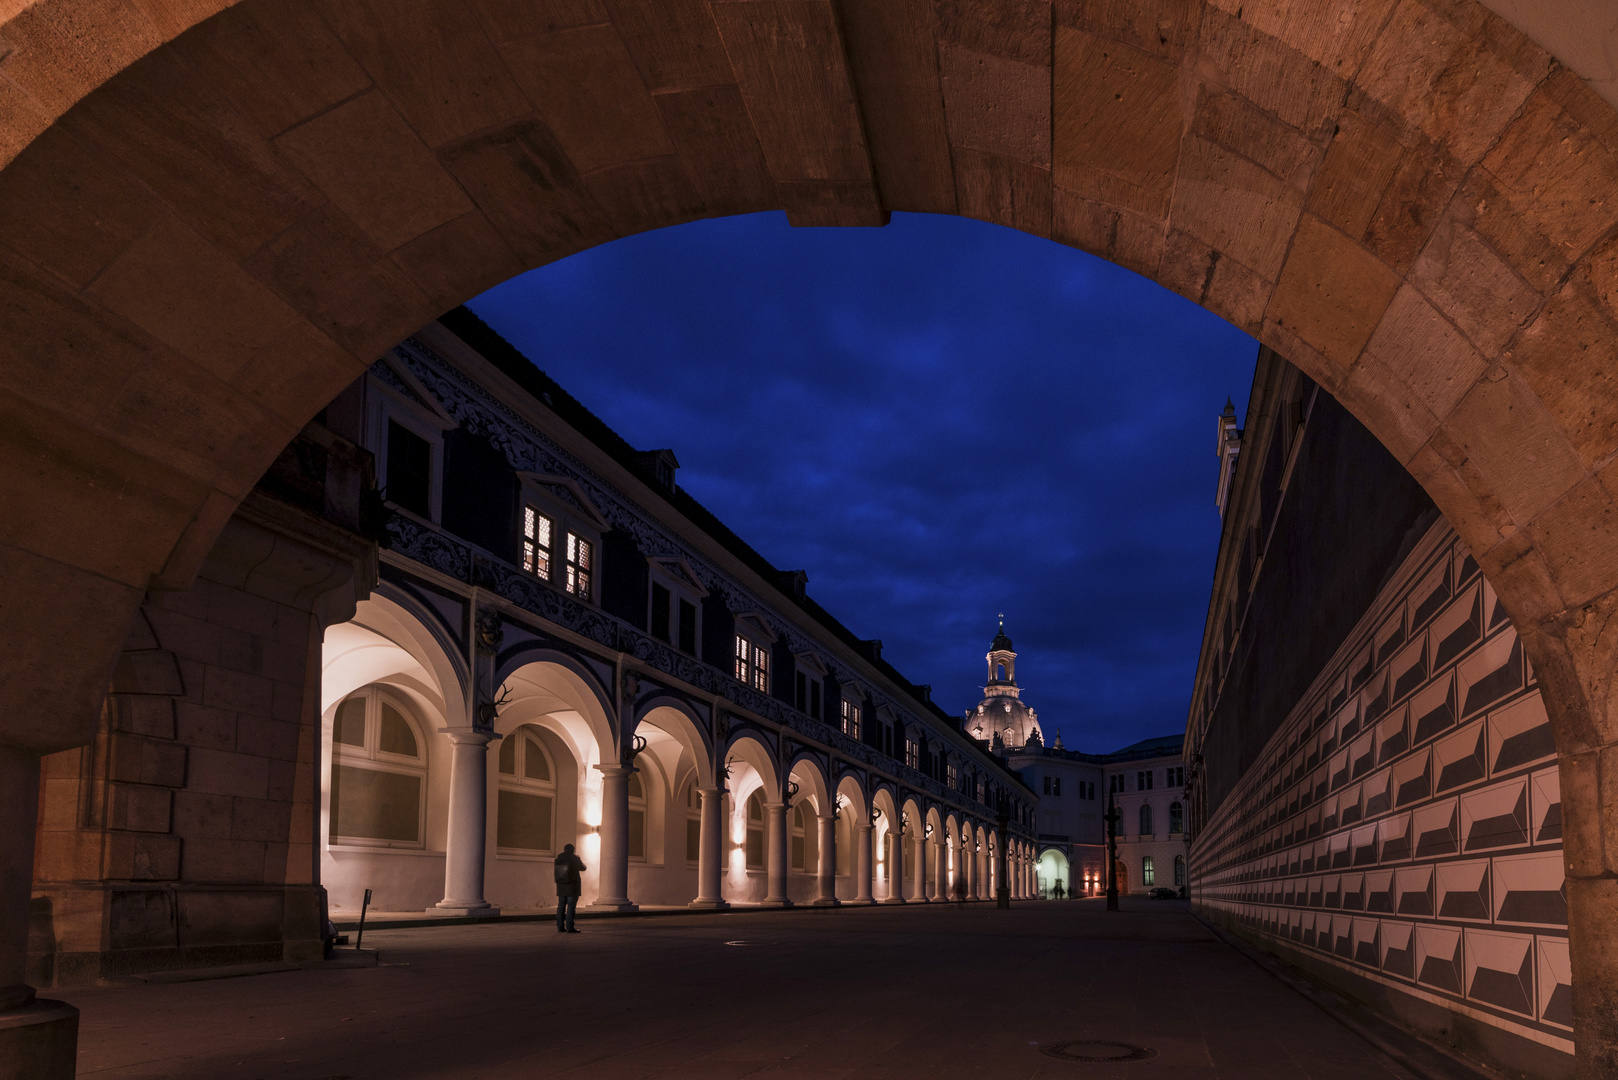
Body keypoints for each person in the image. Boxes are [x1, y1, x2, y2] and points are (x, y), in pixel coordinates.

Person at [554, 843, 586, 933]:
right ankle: (570, 927)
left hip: (561, 886)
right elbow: (583, 868)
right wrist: (579, 859)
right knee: (571, 907)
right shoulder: (574, 858)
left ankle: (560, 927)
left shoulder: (558, 859)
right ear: (572, 850)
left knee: (561, 907)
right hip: (572, 887)